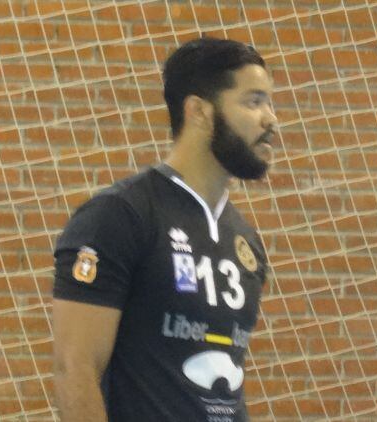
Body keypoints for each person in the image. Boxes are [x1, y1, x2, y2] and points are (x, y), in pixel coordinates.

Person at [51, 37, 278, 422]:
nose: (271, 118)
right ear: (199, 111)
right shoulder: (120, 216)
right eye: (253, 101)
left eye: (269, 102)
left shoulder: (246, 241)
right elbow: (75, 368)